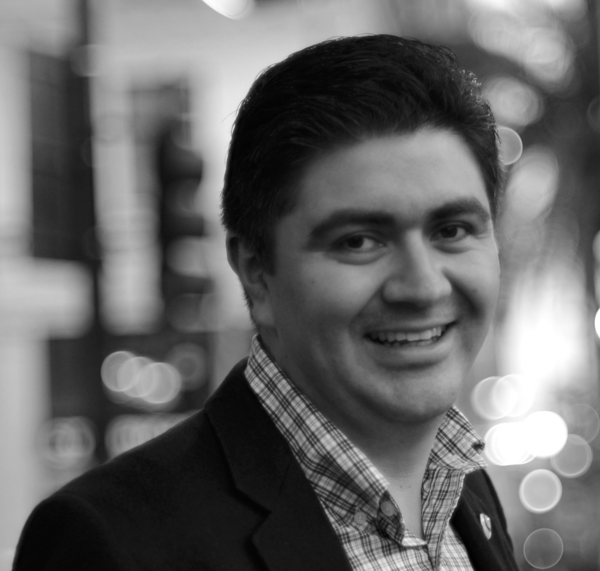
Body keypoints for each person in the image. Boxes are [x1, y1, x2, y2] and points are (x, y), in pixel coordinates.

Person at [13, 34, 518, 571]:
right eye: (358, 242)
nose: (423, 287)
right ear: (256, 273)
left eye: (452, 230)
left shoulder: (466, 492)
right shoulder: (108, 541)